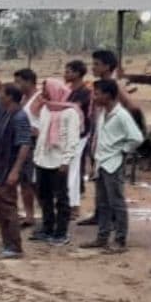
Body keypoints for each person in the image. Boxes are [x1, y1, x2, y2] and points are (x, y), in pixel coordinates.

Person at [82, 79, 144, 253]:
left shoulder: (121, 115)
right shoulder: (103, 113)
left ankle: (120, 240)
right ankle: (102, 237)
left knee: (116, 202)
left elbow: (137, 137)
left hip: (113, 162)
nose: (95, 96)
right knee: (102, 202)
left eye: (98, 93)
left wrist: (123, 151)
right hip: (102, 162)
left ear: (108, 95)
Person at [31, 79, 81, 246]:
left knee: (61, 198)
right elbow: (41, 133)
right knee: (44, 196)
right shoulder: (46, 108)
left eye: (45, 90)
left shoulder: (70, 112)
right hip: (42, 159)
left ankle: (61, 232)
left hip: (59, 161)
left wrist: (66, 161)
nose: (43, 93)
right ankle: (47, 228)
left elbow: (72, 139)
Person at [0, 84, 32, 259]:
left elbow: (24, 144)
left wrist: (15, 170)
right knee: (0, 207)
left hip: (8, 168)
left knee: (8, 207)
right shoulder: (6, 114)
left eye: (2, 94)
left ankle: (14, 247)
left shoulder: (19, 117)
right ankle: (7, 243)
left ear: (10, 97)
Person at [64, 60, 92, 221]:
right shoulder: (70, 90)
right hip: (69, 134)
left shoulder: (84, 92)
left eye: (68, 71)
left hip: (79, 135)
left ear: (77, 73)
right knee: (71, 169)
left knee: (72, 170)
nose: (65, 74)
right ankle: (72, 204)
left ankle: (72, 205)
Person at [14, 68, 41, 227]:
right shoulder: (23, 99)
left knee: (36, 182)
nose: (17, 85)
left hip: (35, 144)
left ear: (28, 81)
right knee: (25, 182)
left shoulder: (39, 99)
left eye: (19, 82)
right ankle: (29, 215)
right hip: (24, 143)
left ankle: (46, 213)